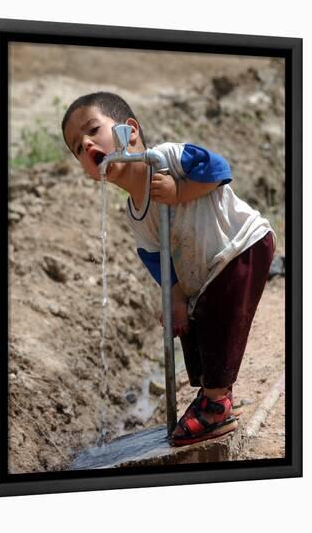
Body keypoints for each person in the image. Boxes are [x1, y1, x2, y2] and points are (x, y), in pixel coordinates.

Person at [61, 91, 275, 446]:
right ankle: (214, 393)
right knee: (193, 320)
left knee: (222, 316)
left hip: (241, 245)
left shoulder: (167, 158)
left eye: (93, 130)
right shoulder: (135, 212)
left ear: (129, 132)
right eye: (77, 148)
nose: (86, 145)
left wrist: (180, 190)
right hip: (206, 268)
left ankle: (216, 403)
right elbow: (155, 256)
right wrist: (173, 296)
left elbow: (219, 168)